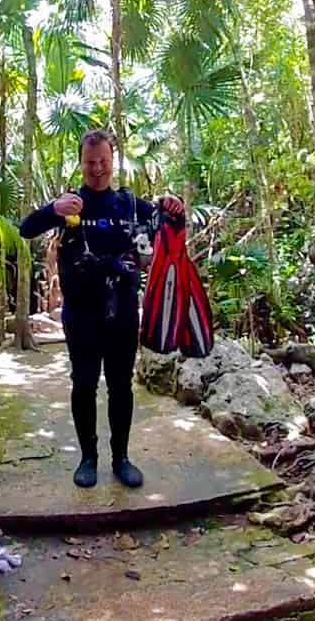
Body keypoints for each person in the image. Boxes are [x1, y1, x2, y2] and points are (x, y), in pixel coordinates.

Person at [19, 129, 185, 489]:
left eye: (104, 162)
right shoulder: (70, 205)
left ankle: (121, 457)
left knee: (121, 386)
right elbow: (26, 229)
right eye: (90, 162)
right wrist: (52, 209)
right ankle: (88, 458)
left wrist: (173, 205)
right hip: (81, 314)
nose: (97, 169)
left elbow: (169, 223)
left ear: (113, 161)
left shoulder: (127, 203)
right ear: (81, 163)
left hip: (123, 310)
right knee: (83, 384)